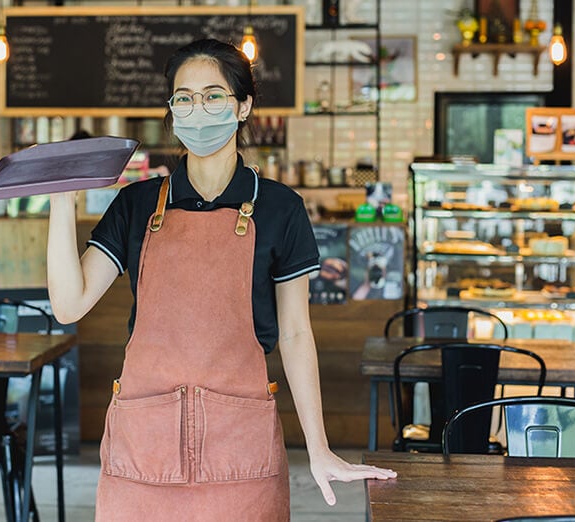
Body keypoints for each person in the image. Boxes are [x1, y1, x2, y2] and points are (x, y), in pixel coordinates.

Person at [47, 38, 395, 520]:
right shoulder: (136, 204)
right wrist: (59, 197)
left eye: (213, 95)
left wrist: (319, 448)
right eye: (184, 98)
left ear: (243, 106)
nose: (197, 109)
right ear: (172, 110)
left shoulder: (280, 208)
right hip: (143, 452)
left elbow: (295, 333)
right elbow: (68, 304)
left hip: (241, 456)